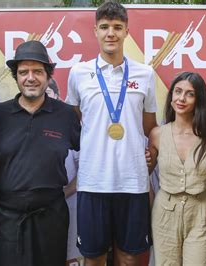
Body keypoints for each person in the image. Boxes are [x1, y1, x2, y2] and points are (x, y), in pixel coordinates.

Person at [65, 1, 158, 265]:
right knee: (93, 258)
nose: (111, 33)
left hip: (133, 182)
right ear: (95, 30)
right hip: (93, 181)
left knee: (128, 257)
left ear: (127, 31)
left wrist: (151, 156)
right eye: (104, 27)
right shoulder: (79, 73)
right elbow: (78, 119)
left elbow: (149, 127)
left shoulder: (145, 74)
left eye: (117, 27)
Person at [0, 40, 81, 266]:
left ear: (49, 76)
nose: (31, 77)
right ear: (16, 77)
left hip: (52, 215)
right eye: (24, 72)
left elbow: (91, 155)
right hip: (9, 217)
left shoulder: (66, 114)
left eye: (38, 71)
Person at [147, 72, 206, 265]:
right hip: (164, 212)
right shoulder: (157, 135)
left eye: (190, 94)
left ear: (199, 100)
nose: (181, 98)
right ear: (171, 96)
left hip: (200, 213)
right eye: (178, 92)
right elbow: (142, 174)